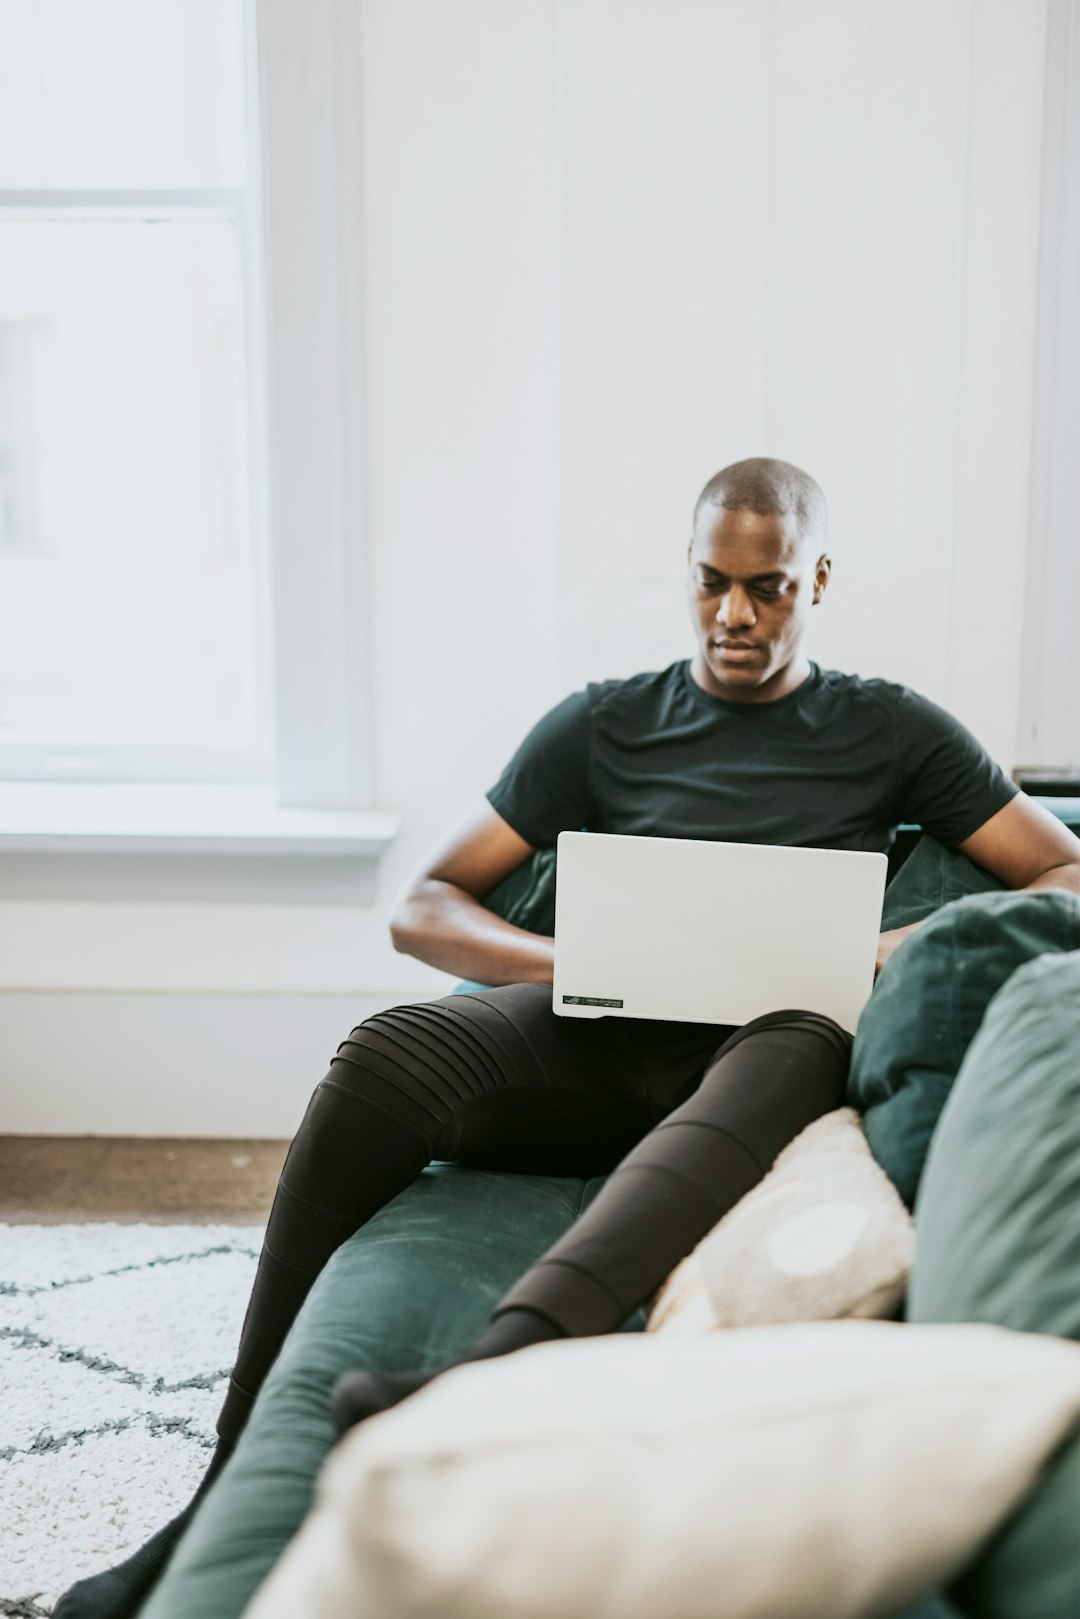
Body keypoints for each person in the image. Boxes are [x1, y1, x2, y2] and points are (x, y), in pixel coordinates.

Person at [56, 457, 1080, 1619]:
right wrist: (580, 961)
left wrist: (884, 946)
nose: (736, 615)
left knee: (792, 1029)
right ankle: (220, 1477)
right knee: (386, 1053)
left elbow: (1061, 868)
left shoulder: (890, 725)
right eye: (712, 583)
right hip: (602, 1029)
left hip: (767, 1038)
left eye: (771, 587)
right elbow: (424, 905)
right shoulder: (606, 720)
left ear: (820, 580)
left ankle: (479, 1378)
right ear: (688, 573)